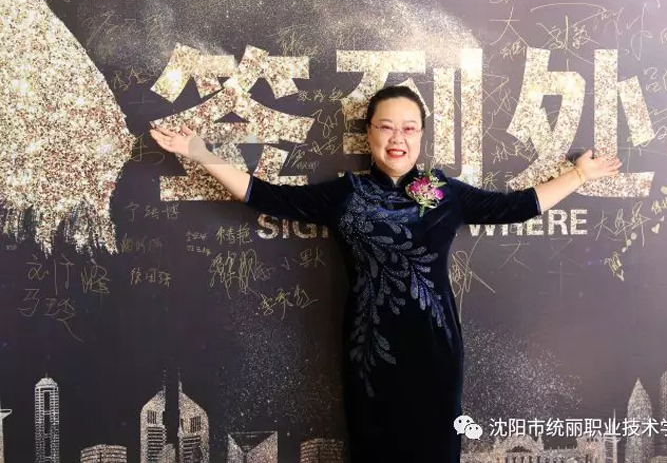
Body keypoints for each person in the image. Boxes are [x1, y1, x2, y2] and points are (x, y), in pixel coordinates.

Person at [149, 85, 621, 462]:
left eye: (409, 128)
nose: (398, 138)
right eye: (386, 127)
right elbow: (263, 195)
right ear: (369, 133)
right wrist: (199, 151)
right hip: (370, 355)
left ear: (421, 136)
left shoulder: (444, 192)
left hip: (435, 351)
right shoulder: (344, 194)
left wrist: (580, 175)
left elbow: (517, 206)